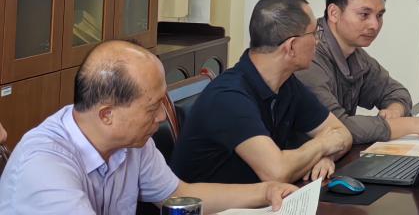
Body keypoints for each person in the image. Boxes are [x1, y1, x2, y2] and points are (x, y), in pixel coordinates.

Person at [0, 41, 296, 214]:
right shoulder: (44, 166)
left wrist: (265, 191)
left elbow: (179, 194)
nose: (162, 117)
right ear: (107, 115)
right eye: (152, 107)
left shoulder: (131, 144)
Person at [172, 0, 353, 185]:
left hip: (260, 197)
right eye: (314, 33)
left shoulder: (286, 83)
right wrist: (322, 145)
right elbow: (277, 173)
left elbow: (342, 133)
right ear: (291, 46)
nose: (318, 41)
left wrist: (325, 157)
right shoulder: (229, 97)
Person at [298, 0, 419, 144]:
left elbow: (395, 91)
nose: (374, 25)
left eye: (379, 15)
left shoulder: (354, 52)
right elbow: (335, 128)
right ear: (334, 13)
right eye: (364, 15)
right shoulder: (307, 55)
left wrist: (394, 111)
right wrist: (413, 125)